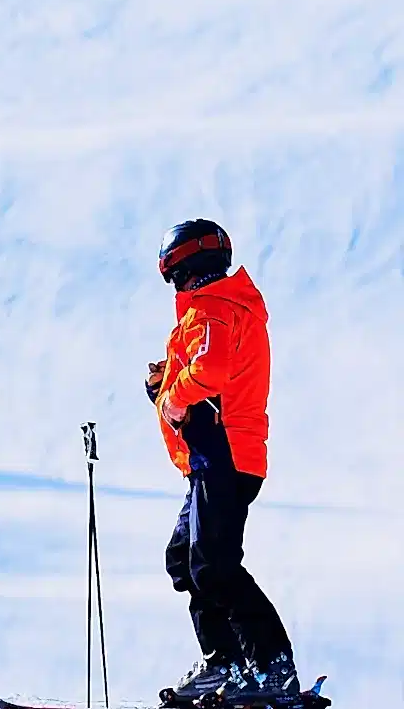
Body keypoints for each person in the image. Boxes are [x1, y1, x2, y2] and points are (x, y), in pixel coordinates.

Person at [152, 220, 300, 706]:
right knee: (187, 560)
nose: (175, 286)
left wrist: (172, 396)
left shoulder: (213, 306)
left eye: (175, 275)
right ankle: (227, 665)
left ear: (193, 268)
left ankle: (270, 667)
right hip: (217, 457)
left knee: (213, 563)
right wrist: (165, 387)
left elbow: (209, 370)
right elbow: (211, 375)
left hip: (226, 455)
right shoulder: (221, 309)